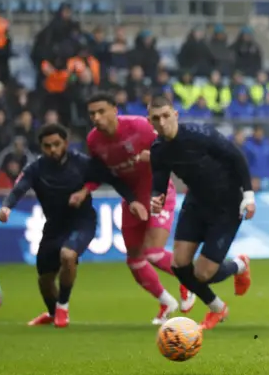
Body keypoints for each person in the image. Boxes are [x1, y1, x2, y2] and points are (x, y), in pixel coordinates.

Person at [0, 124, 147, 327]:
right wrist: (6, 208)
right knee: (45, 281)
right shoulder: (35, 168)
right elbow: (19, 188)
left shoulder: (82, 163)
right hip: (53, 226)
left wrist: (133, 201)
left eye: (57, 144)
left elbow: (112, 179)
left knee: (68, 255)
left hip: (82, 222)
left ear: (65, 143)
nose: (53, 150)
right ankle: (52, 312)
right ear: (41, 147)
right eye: (47, 146)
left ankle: (63, 309)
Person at [72, 93, 194, 325]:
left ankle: (190, 281)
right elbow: (103, 172)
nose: (96, 118)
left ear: (115, 110)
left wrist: (154, 157)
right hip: (132, 201)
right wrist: (86, 189)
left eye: (101, 112)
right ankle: (166, 301)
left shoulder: (140, 126)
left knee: (154, 252)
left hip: (158, 194)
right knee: (135, 260)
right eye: (91, 114)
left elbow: (170, 150)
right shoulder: (93, 141)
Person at [148, 96, 255, 330]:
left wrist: (248, 195)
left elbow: (236, 156)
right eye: (156, 118)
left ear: (175, 115)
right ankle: (217, 308)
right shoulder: (158, 150)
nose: (162, 122)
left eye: (166, 115)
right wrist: (156, 198)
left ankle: (239, 266)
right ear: (151, 122)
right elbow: (159, 182)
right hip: (196, 203)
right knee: (179, 265)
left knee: (203, 274)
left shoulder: (200, 134)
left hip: (227, 205)